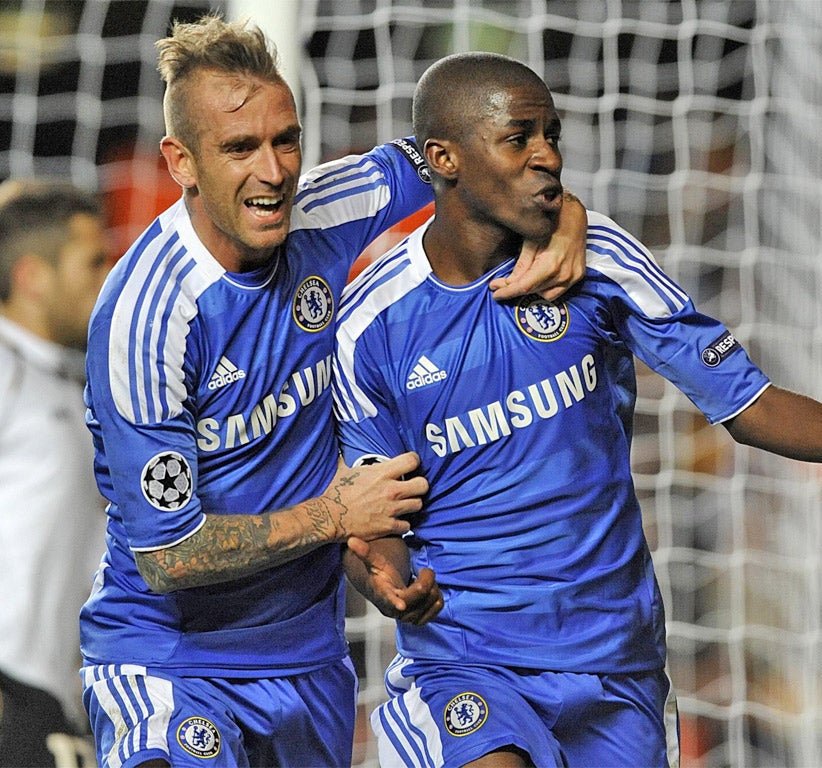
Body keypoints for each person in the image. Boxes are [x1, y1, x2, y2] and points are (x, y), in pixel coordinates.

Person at [333, 52, 822, 768]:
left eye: (553, 135)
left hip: (615, 658)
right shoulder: (370, 326)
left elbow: (747, 402)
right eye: (520, 138)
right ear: (443, 157)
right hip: (471, 660)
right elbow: (372, 510)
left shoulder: (600, 261)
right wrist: (385, 578)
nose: (547, 157)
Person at [79, 16, 586, 768]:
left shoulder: (329, 205)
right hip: (170, 659)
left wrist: (565, 215)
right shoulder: (146, 319)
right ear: (180, 161)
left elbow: (475, 154)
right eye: (239, 148)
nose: (275, 171)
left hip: (309, 661)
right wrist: (335, 516)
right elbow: (168, 556)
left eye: (286, 140)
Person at [0, 180, 110, 767]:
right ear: (32, 279)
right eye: (91, 261)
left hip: (55, 700)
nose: (108, 274)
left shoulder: (65, 379)